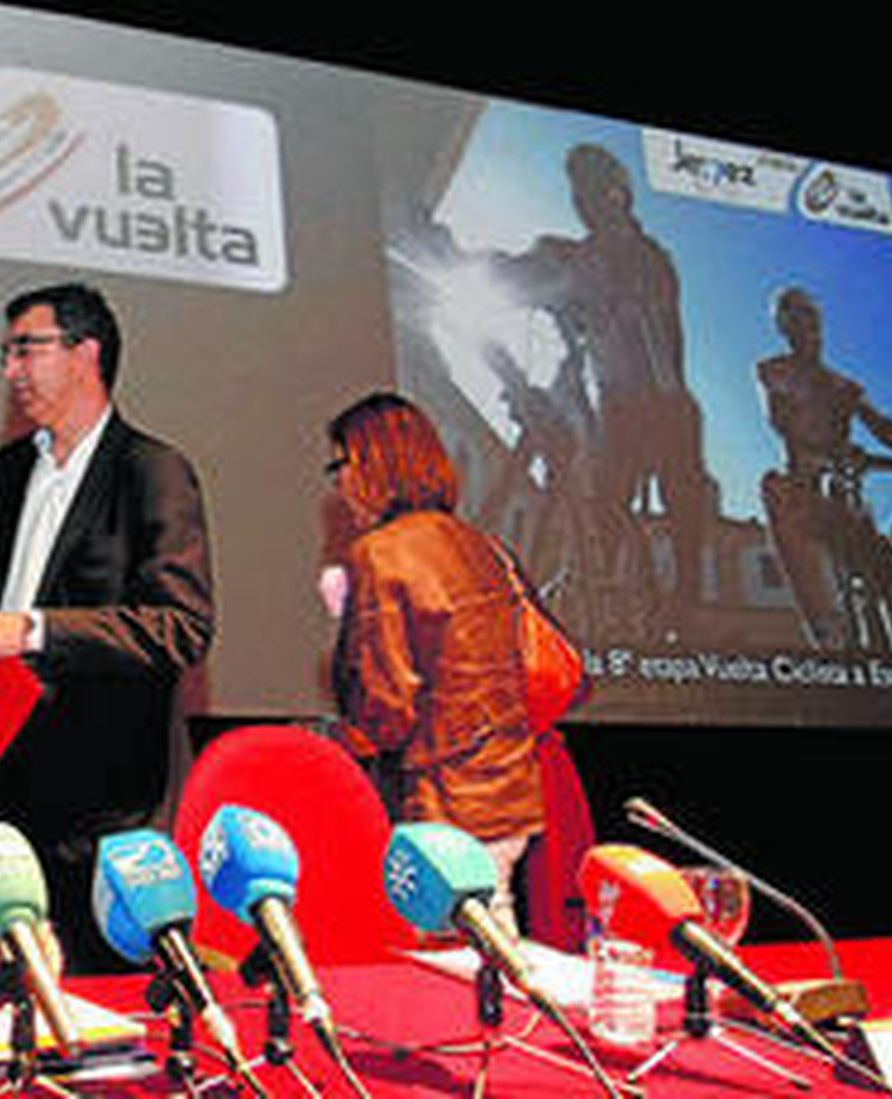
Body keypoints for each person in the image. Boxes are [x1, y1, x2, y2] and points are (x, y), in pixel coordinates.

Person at [0, 283, 214, 972]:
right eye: (5, 353)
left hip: (103, 812)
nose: (10, 370)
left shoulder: (151, 470)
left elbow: (180, 626)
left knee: (102, 1016)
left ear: (86, 353)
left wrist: (38, 628)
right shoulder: (12, 468)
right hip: (2, 787)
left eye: (26, 349)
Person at [327, 392, 542, 932]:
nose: (337, 485)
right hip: (508, 790)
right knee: (496, 939)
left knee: (451, 972)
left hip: (442, 805)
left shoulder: (382, 553)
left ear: (372, 463)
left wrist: (339, 737)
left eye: (339, 465)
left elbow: (389, 707)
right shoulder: (479, 544)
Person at [492, 143, 712, 642]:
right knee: (607, 506)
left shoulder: (650, 258)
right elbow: (524, 275)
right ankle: (600, 614)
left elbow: (654, 327)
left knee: (680, 496)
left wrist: (557, 284)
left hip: (667, 406)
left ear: (619, 193)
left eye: (594, 188)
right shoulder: (571, 253)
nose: (584, 201)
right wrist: (461, 256)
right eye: (578, 191)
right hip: (618, 409)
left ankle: (686, 605)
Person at [758, 286, 892, 651]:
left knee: (883, 569)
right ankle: (825, 631)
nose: (800, 326)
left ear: (817, 323)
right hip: (805, 487)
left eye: (805, 316)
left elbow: (885, 428)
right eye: (789, 318)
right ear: (782, 327)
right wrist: (824, 452)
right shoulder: (773, 370)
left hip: (847, 484)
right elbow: (779, 421)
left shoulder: (845, 386)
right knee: (777, 493)